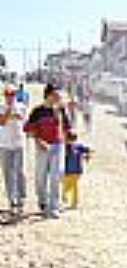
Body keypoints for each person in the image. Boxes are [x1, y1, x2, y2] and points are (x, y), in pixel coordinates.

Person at [24, 84, 71, 219]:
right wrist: (39, 141)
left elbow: (67, 128)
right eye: (56, 95)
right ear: (48, 95)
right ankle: (43, 201)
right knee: (41, 176)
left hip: (58, 145)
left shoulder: (61, 110)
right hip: (42, 146)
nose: (58, 98)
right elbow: (29, 129)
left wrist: (70, 139)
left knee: (57, 176)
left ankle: (54, 206)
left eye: (59, 95)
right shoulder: (37, 111)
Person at [0, 85, 27, 216]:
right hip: (4, 144)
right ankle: (12, 200)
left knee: (19, 172)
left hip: (18, 143)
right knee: (7, 173)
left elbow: (22, 120)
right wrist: (9, 111)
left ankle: (21, 198)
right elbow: (2, 121)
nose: (9, 96)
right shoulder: (1, 107)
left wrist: (13, 113)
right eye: (7, 94)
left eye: (12, 94)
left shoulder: (22, 106)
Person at [62, 132, 92, 209]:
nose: (71, 142)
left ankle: (74, 203)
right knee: (68, 185)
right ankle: (64, 194)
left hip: (77, 170)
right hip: (68, 170)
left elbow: (87, 150)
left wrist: (88, 155)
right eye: (70, 139)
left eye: (73, 139)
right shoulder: (64, 147)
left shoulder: (78, 146)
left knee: (74, 187)